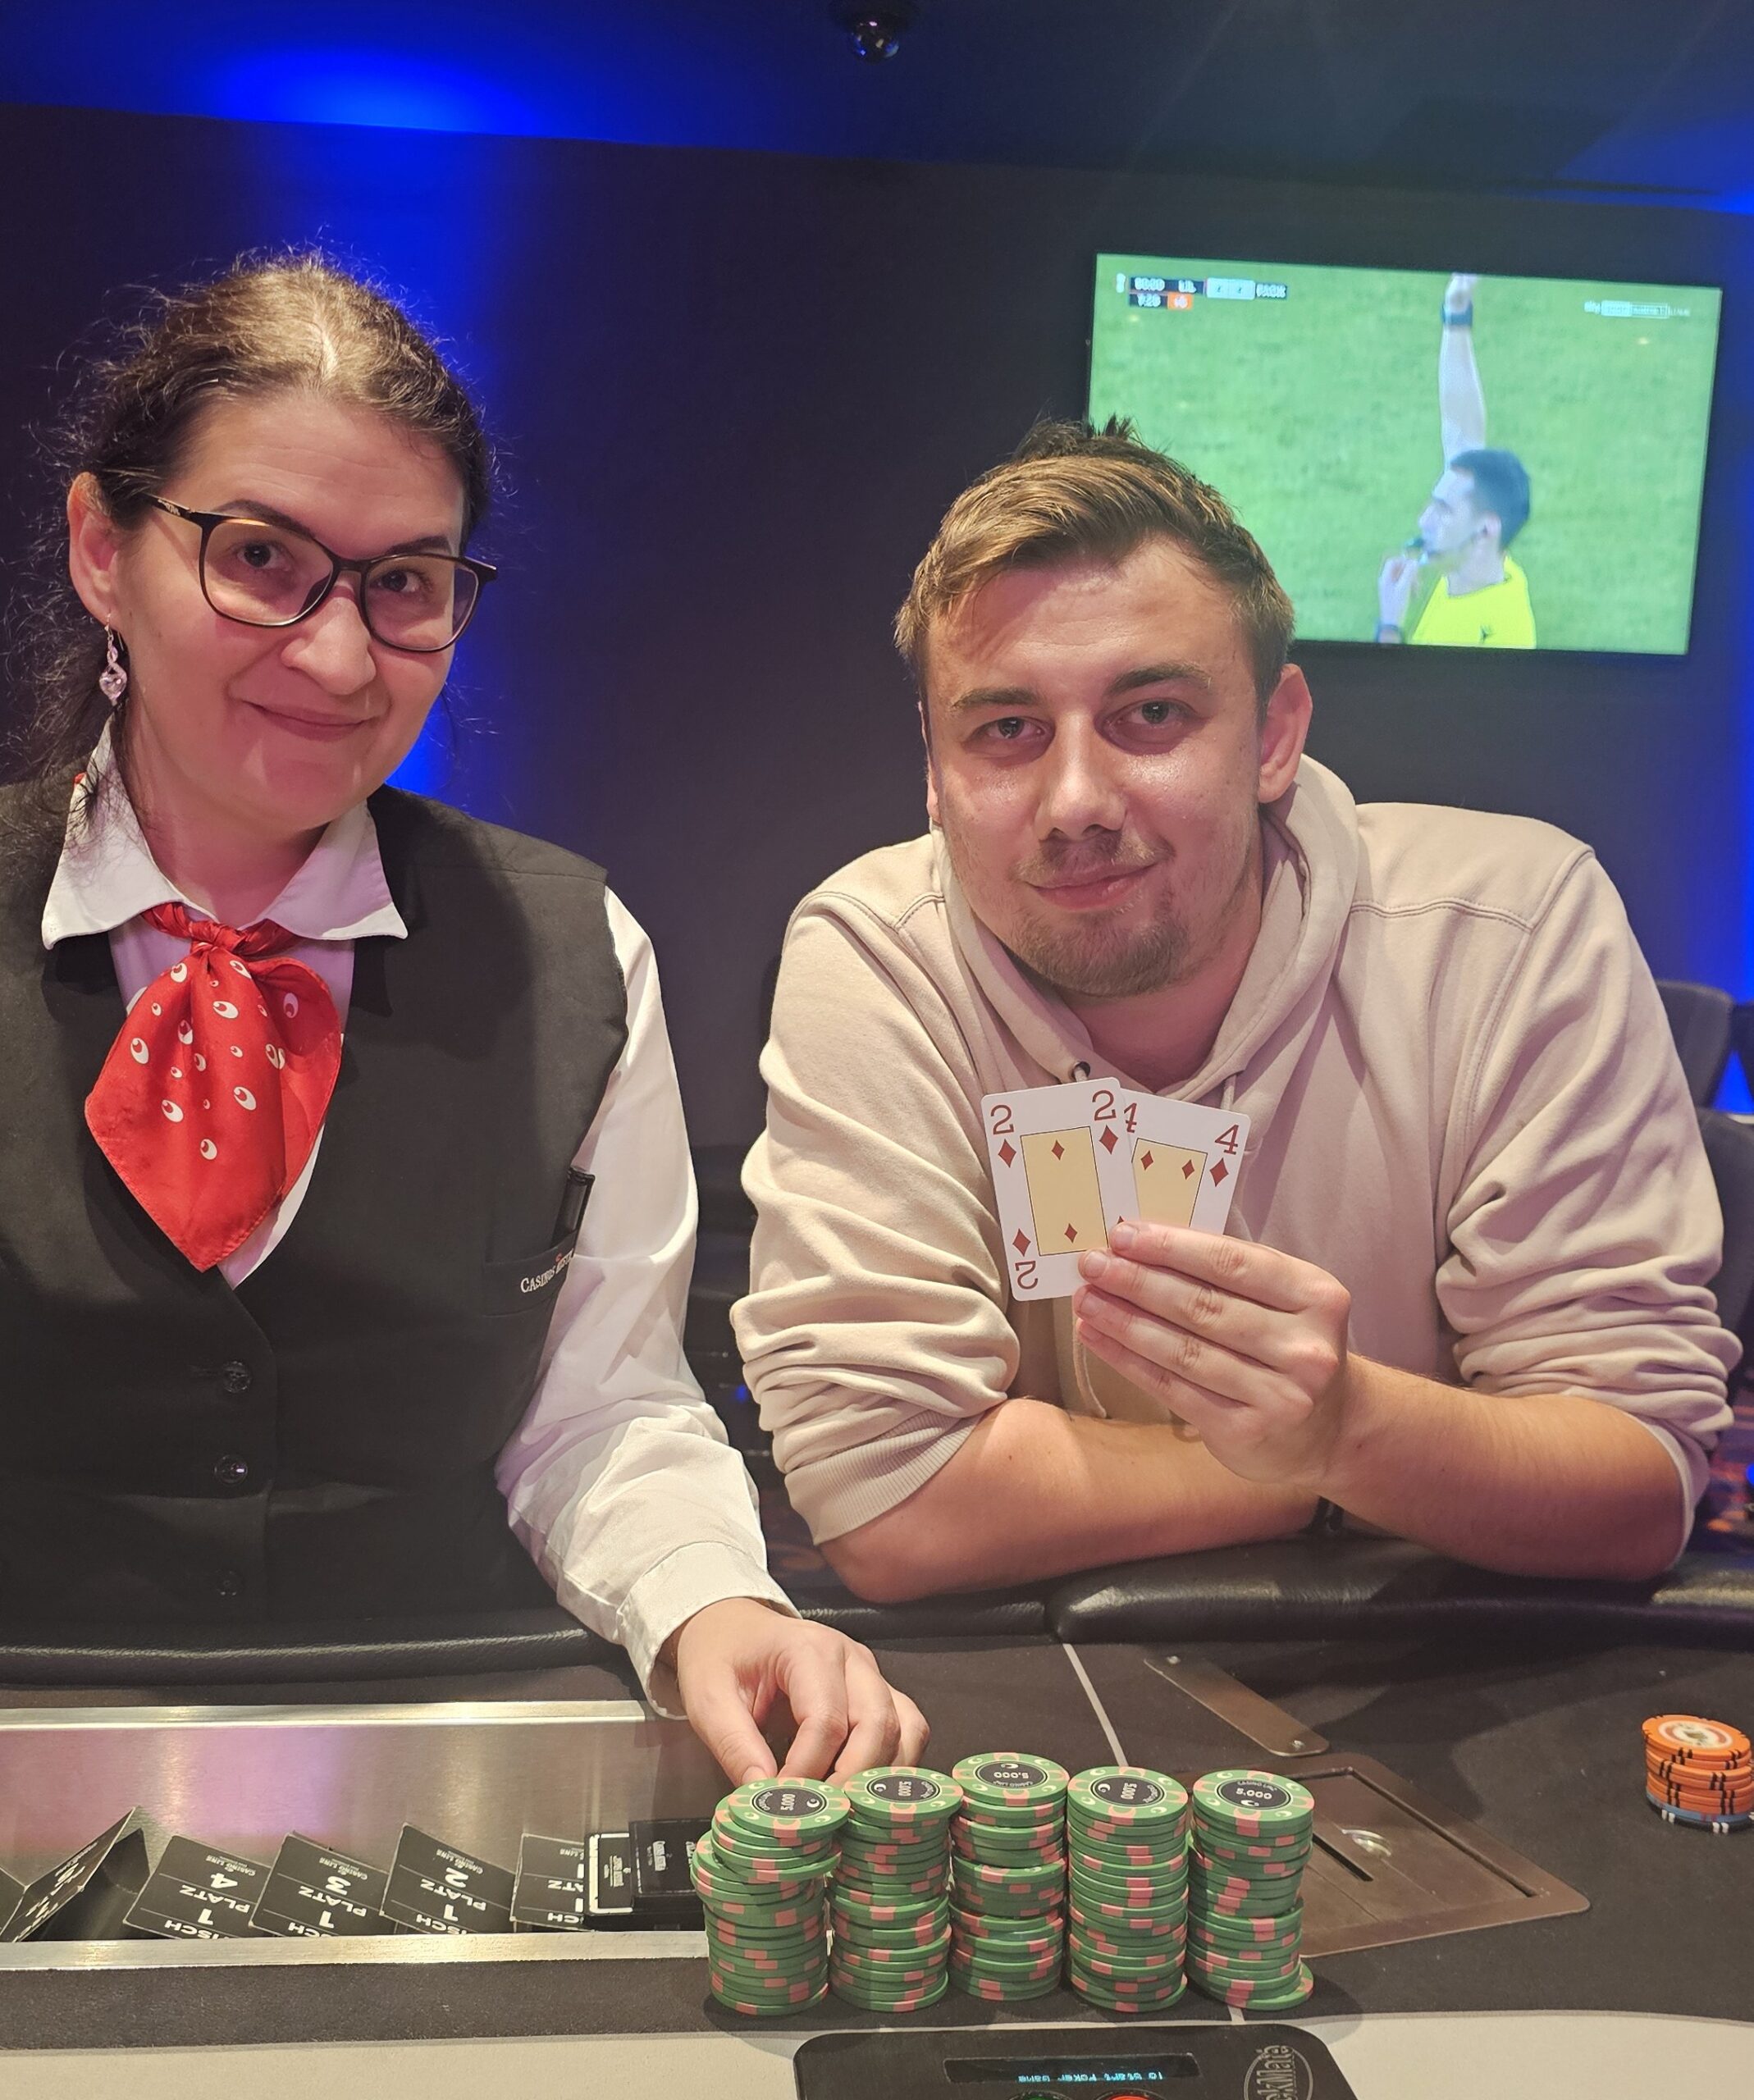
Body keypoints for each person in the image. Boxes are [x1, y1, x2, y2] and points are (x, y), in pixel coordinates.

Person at [0, 253, 925, 1785]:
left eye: (403, 584)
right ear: (105, 549)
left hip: (439, 1750)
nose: (338, 654)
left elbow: (600, 1408)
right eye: (259, 557)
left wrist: (712, 1601)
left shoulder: (577, 955)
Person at [733, 418, 1735, 1603]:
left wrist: (1345, 1425)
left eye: (1150, 715)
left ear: (1273, 735)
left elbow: (1633, 1482)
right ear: (933, 768)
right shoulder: (878, 953)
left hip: (1442, 1665)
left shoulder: (1509, 929)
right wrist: (1317, 1470)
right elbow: (891, 1507)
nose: (1074, 800)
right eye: (1005, 730)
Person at [1377, 274, 1536, 648]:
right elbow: (1462, 432)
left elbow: (1394, 690)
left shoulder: (1499, 641)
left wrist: (1390, 625)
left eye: (1444, 511)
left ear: (1485, 531)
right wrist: (1456, 315)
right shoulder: (1482, 567)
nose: (1423, 521)